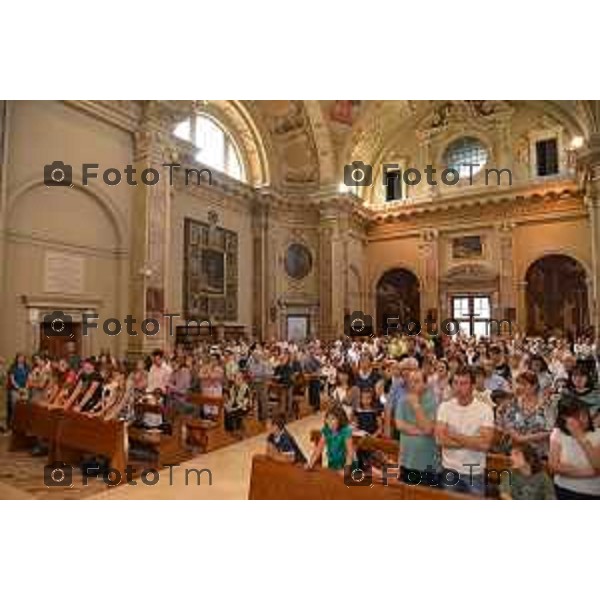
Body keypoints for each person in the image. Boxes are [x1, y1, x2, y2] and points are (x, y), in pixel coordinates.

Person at [435, 366, 495, 496]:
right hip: (450, 468)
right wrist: (473, 442)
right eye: (455, 383)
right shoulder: (445, 407)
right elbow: (440, 439)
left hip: (474, 470)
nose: (458, 387)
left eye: (463, 383)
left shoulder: (484, 410)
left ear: (473, 385)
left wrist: (453, 435)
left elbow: (485, 445)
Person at [548, 396, 600, 499]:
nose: (582, 419)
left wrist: (581, 438)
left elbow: (598, 465)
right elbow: (553, 467)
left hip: (592, 492)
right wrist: (589, 472)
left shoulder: (598, 434)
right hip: (563, 488)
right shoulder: (558, 433)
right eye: (576, 416)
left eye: (585, 414)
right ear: (564, 418)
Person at [395, 369, 438, 486]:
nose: (412, 385)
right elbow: (399, 425)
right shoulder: (402, 400)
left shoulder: (433, 401)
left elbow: (429, 429)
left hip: (426, 463)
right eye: (410, 381)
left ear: (425, 383)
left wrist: (415, 405)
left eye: (417, 381)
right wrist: (421, 431)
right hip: (406, 460)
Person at [496, 371, 552, 458]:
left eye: (524, 384)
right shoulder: (513, 403)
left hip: (538, 450)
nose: (520, 387)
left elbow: (550, 430)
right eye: (519, 384)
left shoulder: (546, 404)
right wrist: (518, 437)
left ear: (534, 386)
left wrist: (525, 439)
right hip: (515, 447)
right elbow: (508, 424)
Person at [306, 405, 353, 472]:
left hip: (347, 465)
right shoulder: (326, 431)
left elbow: (350, 453)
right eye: (328, 418)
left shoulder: (346, 431)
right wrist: (310, 463)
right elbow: (318, 450)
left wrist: (346, 469)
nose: (329, 421)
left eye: (333, 419)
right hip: (332, 465)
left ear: (340, 420)